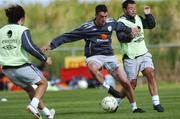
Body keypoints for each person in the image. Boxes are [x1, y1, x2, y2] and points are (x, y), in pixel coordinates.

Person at [42, 4, 144, 113]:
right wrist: (52, 45)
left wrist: (131, 30)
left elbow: (121, 27)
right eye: (101, 16)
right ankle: (109, 89)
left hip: (109, 56)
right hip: (94, 56)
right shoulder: (87, 28)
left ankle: (135, 108)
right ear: (96, 15)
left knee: (126, 82)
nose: (104, 19)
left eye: (105, 16)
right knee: (92, 68)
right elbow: (68, 36)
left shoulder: (111, 22)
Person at [0, 4, 55, 118]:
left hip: (7, 70)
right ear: (22, 18)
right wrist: (45, 58)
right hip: (21, 66)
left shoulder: (1, 31)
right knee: (43, 83)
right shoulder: (22, 30)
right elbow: (29, 47)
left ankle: (47, 113)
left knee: (30, 90)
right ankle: (32, 106)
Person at [116, 0, 164, 112]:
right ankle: (116, 100)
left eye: (134, 7)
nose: (134, 10)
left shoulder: (138, 18)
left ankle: (156, 103)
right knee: (131, 84)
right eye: (130, 8)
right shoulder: (120, 23)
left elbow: (151, 25)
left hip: (144, 53)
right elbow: (121, 37)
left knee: (150, 73)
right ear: (124, 10)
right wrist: (130, 36)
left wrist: (148, 14)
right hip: (130, 57)